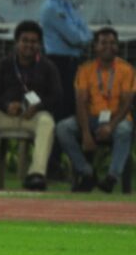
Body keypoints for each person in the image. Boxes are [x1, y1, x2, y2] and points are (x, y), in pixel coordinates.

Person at [0, 21, 60, 191]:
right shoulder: (4, 64)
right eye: (25, 40)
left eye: (34, 41)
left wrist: (37, 107)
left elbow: (57, 96)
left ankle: (36, 175)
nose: (29, 45)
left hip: (32, 117)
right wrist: (6, 105)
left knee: (47, 122)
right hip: (5, 115)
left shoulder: (47, 67)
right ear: (17, 42)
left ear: (39, 44)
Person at [55, 27, 134, 193]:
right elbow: (80, 102)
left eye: (113, 43)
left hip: (116, 119)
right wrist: (85, 133)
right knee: (63, 128)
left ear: (117, 47)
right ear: (95, 47)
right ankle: (87, 172)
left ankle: (111, 178)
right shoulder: (85, 70)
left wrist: (110, 126)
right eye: (103, 43)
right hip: (90, 118)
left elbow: (127, 104)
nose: (108, 46)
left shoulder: (127, 70)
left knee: (125, 129)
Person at [39, 0, 92, 125]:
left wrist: (83, 38)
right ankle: (53, 150)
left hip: (73, 63)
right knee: (60, 111)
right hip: (58, 64)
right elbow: (76, 38)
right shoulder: (51, 8)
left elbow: (87, 33)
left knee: (72, 108)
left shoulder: (67, 4)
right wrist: (82, 39)